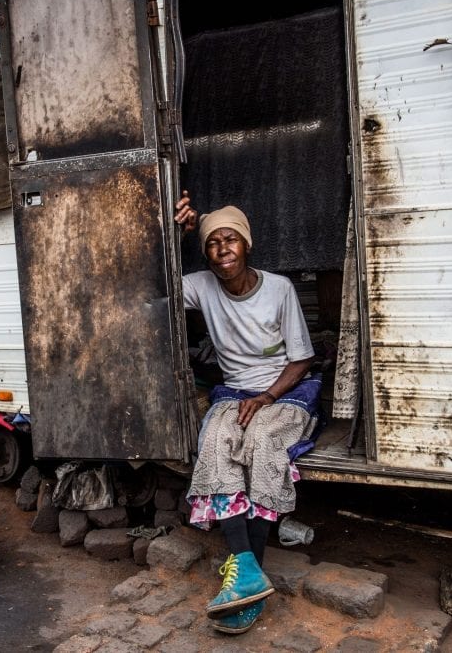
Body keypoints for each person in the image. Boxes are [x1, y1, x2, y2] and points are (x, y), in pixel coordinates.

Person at [174, 191, 317, 635]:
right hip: (233, 392)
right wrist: (179, 235)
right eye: (213, 242)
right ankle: (248, 571)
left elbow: (301, 360)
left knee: (260, 443)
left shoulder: (279, 288)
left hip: (285, 393)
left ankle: (249, 574)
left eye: (231, 239)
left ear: (247, 244)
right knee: (215, 441)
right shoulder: (200, 285)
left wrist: (268, 398)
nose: (222, 249)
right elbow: (156, 282)